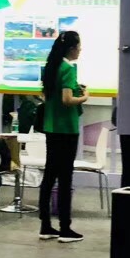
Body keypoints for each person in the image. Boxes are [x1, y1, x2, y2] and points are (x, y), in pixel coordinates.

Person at [37, 30, 88, 243]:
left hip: (51, 128)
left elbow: (52, 96)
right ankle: (65, 228)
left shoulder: (52, 67)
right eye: (79, 46)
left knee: (49, 176)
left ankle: (45, 226)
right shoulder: (68, 68)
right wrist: (84, 97)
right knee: (65, 178)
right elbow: (67, 100)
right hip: (66, 130)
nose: (80, 50)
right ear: (72, 48)